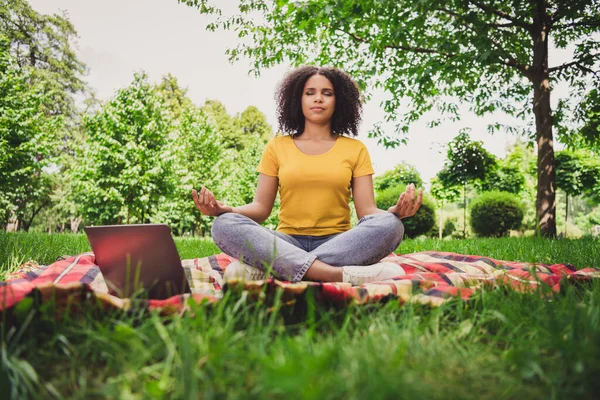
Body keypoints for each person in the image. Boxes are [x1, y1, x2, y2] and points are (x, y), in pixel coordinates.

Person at [192, 66, 422, 285]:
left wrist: (395, 213)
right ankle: (332, 274)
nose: (318, 98)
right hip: (285, 241)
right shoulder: (276, 147)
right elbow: (261, 208)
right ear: (297, 100)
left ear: (338, 100)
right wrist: (226, 211)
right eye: (309, 93)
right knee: (224, 225)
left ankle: (276, 269)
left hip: (339, 242)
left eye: (327, 93)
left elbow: (367, 212)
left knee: (391, 226)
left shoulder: (355, 149)